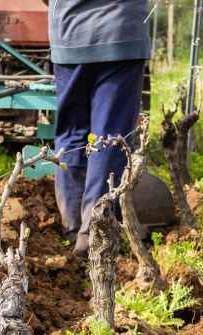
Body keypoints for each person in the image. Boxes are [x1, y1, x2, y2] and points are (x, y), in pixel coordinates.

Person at [48, 0, 151, 256]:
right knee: (110, 135)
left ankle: (73, 225)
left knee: (72, 133)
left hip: (69, 34)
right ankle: (93, 231)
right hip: (121, 33)